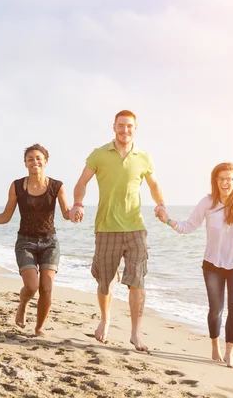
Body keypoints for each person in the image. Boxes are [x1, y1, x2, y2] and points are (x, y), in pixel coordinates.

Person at [156, 162, 233, 368]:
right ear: (216, 181)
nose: (226, 182)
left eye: (230, 179)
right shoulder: (208, 203)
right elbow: (188, 226)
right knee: (215, 309)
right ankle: (214, 346)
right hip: (212, 264)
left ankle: (230, 353)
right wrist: (168, 221)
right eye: (222, 179)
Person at [69, 110, 165, 352]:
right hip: (106, 228)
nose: (125, 130)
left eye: (130, 126)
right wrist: (78, 204)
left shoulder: (143, 157)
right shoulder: (99, 154)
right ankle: (106, 318)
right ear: (114, 126)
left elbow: (154, 185)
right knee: (105, 281)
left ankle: (135, 333)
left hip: (136, 229)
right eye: (121, 125)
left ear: (135, 128)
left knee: (138, 281)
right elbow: (81, 182)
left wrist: (161, 205)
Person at [0, 144, 71, 336]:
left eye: (38, 158)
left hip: (49, 242)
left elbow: (66, 213)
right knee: (32, 286)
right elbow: (5, 216)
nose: (35, 161)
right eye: (30, 159)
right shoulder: (17, 186)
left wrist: (75, 212)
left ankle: (39, 327)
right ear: (25, 163)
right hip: (25, 242)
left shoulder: (56, 186)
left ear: (46, 161)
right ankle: (23, 303)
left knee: (47, 287)